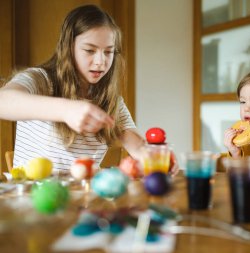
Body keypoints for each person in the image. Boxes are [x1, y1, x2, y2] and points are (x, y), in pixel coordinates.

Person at [0, 5, 176, 175]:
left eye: (108, 52)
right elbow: (3, 101)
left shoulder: (111, 100)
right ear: (69, 48)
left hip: (83, 200)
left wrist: (156, 157)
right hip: (32, 200)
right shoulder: (41, 81)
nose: (101, 61)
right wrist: (66, 110)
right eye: (90, 50)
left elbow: (138, 146)